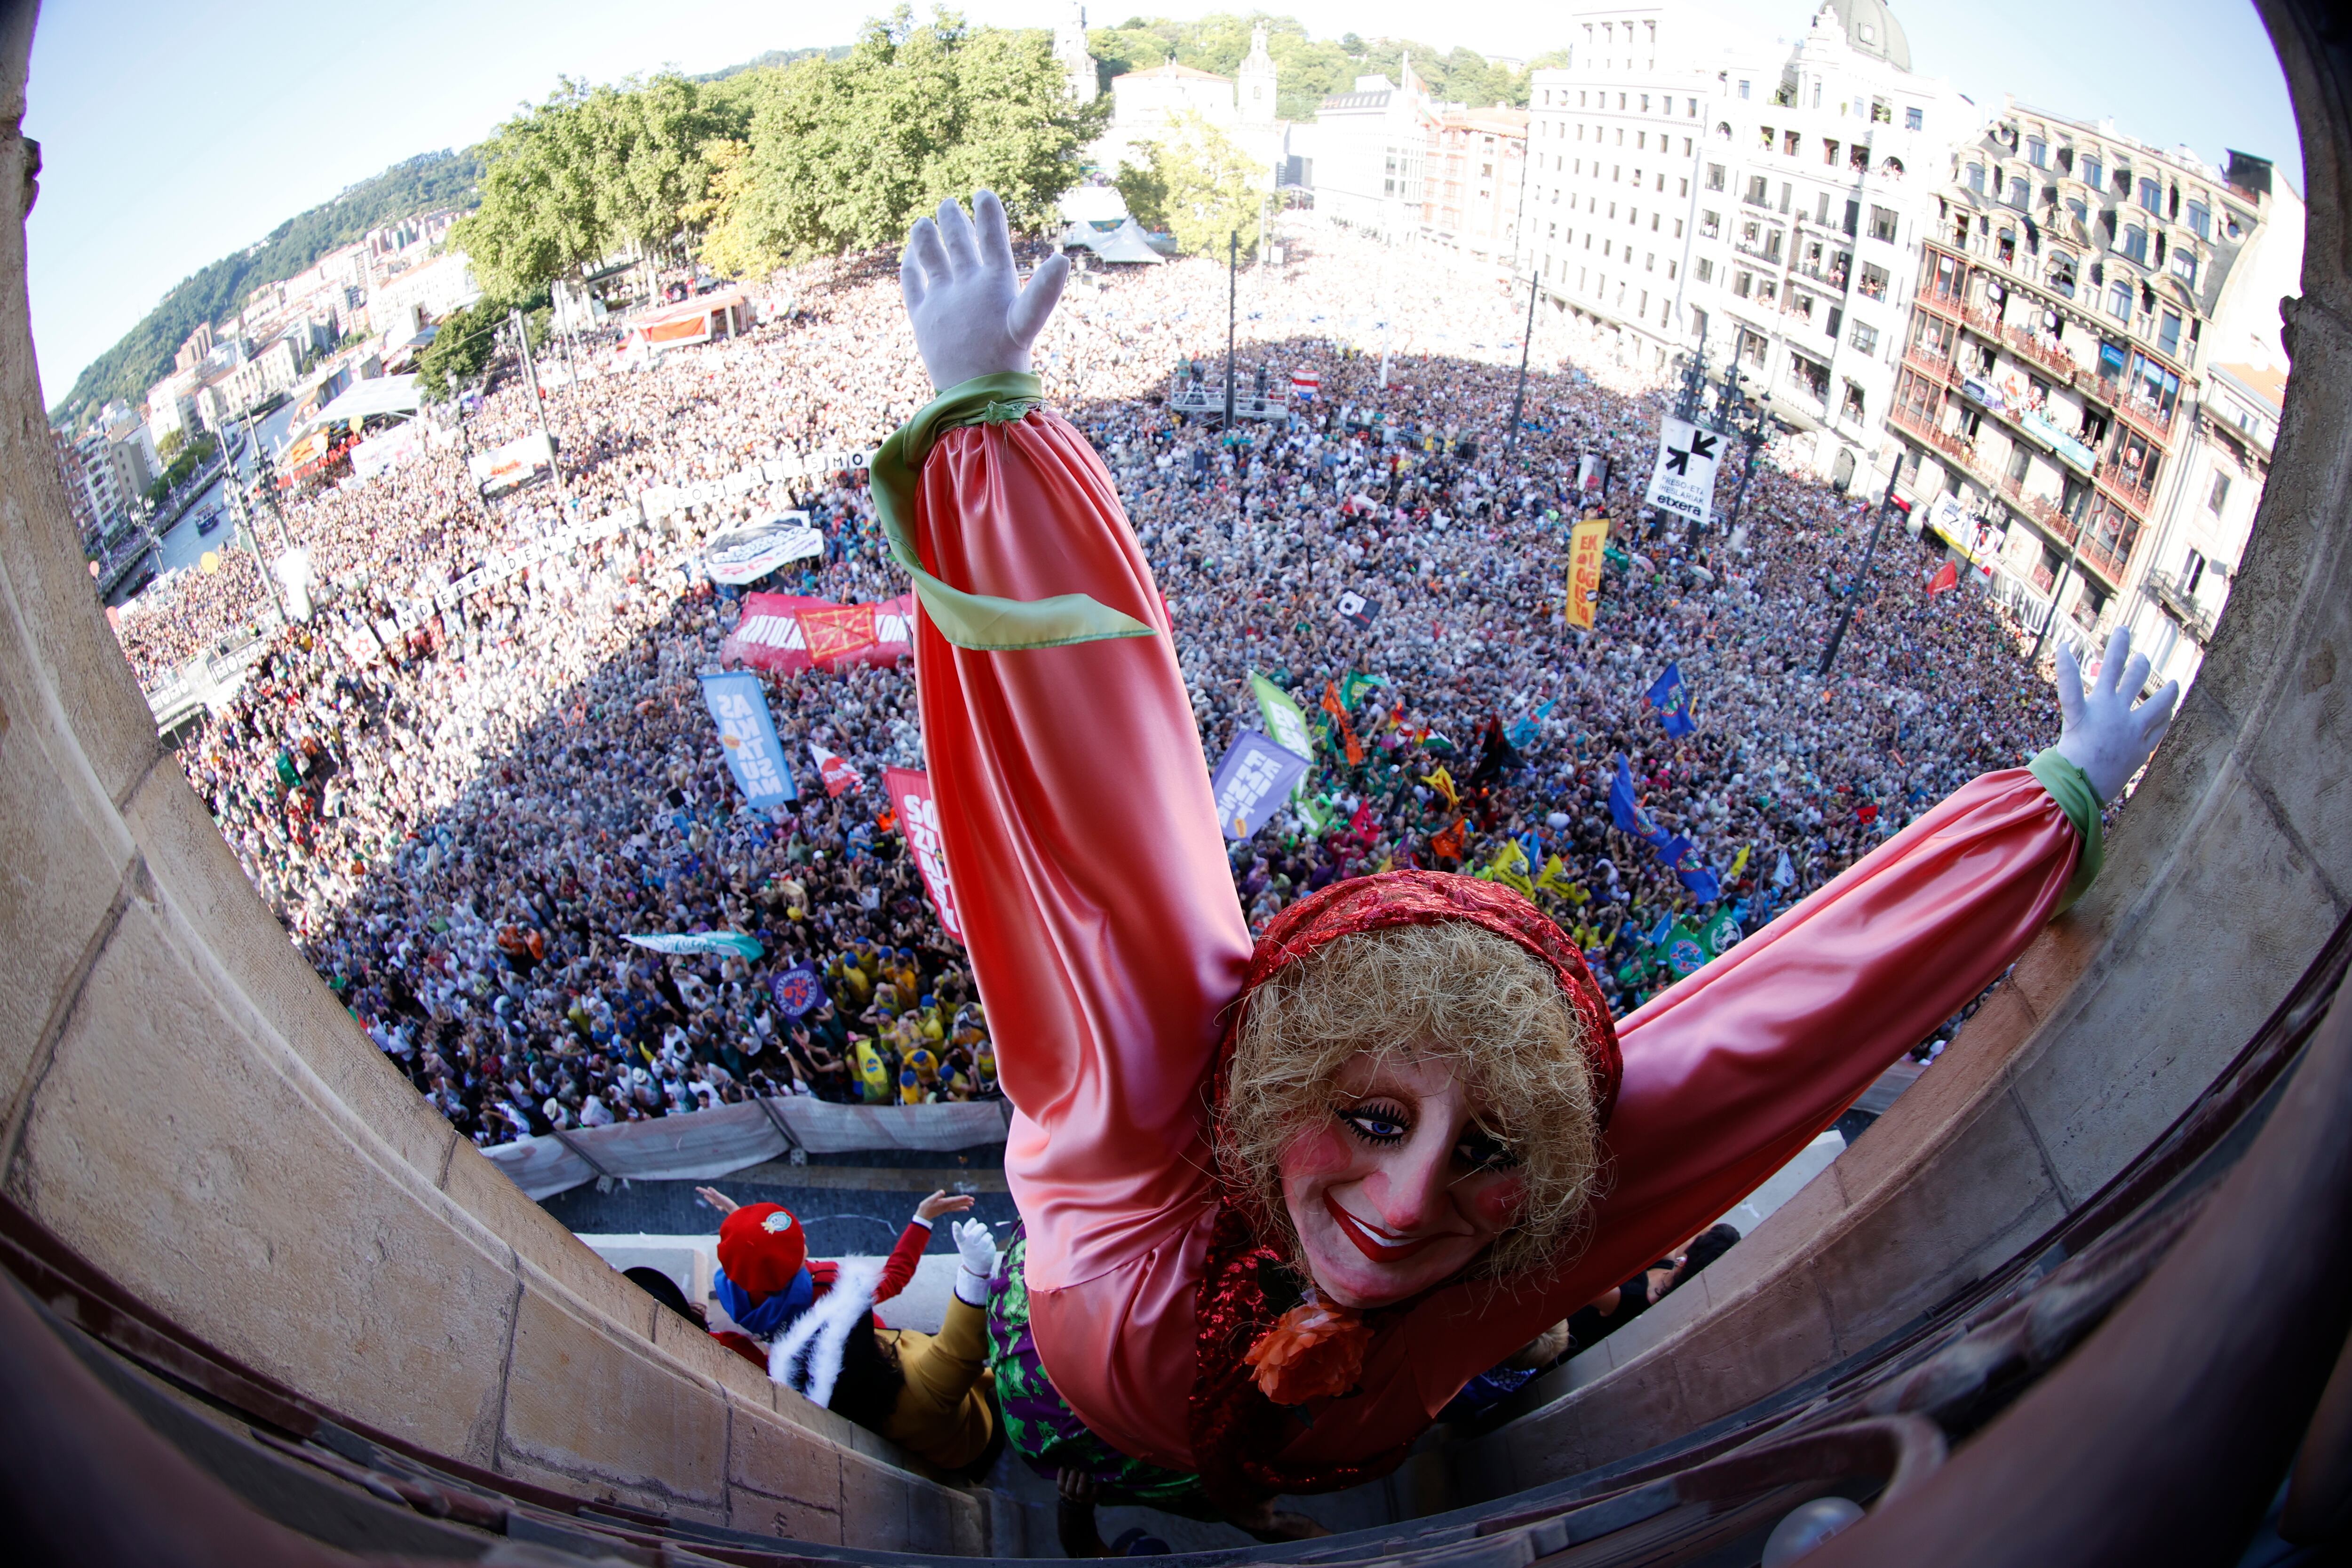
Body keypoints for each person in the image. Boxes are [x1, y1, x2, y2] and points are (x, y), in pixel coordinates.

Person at [888, 191, 2181, 1527]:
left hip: (1199, 1442)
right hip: (1092, 1425)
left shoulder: (1536, 1226)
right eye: (1377, 1116)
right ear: (1266, 1091)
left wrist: (2052, 811)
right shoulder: (1165, 1124)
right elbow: (1109, 816)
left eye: (1485, 1144)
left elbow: (1791, 1024)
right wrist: (993, 439)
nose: (1402, 1207)